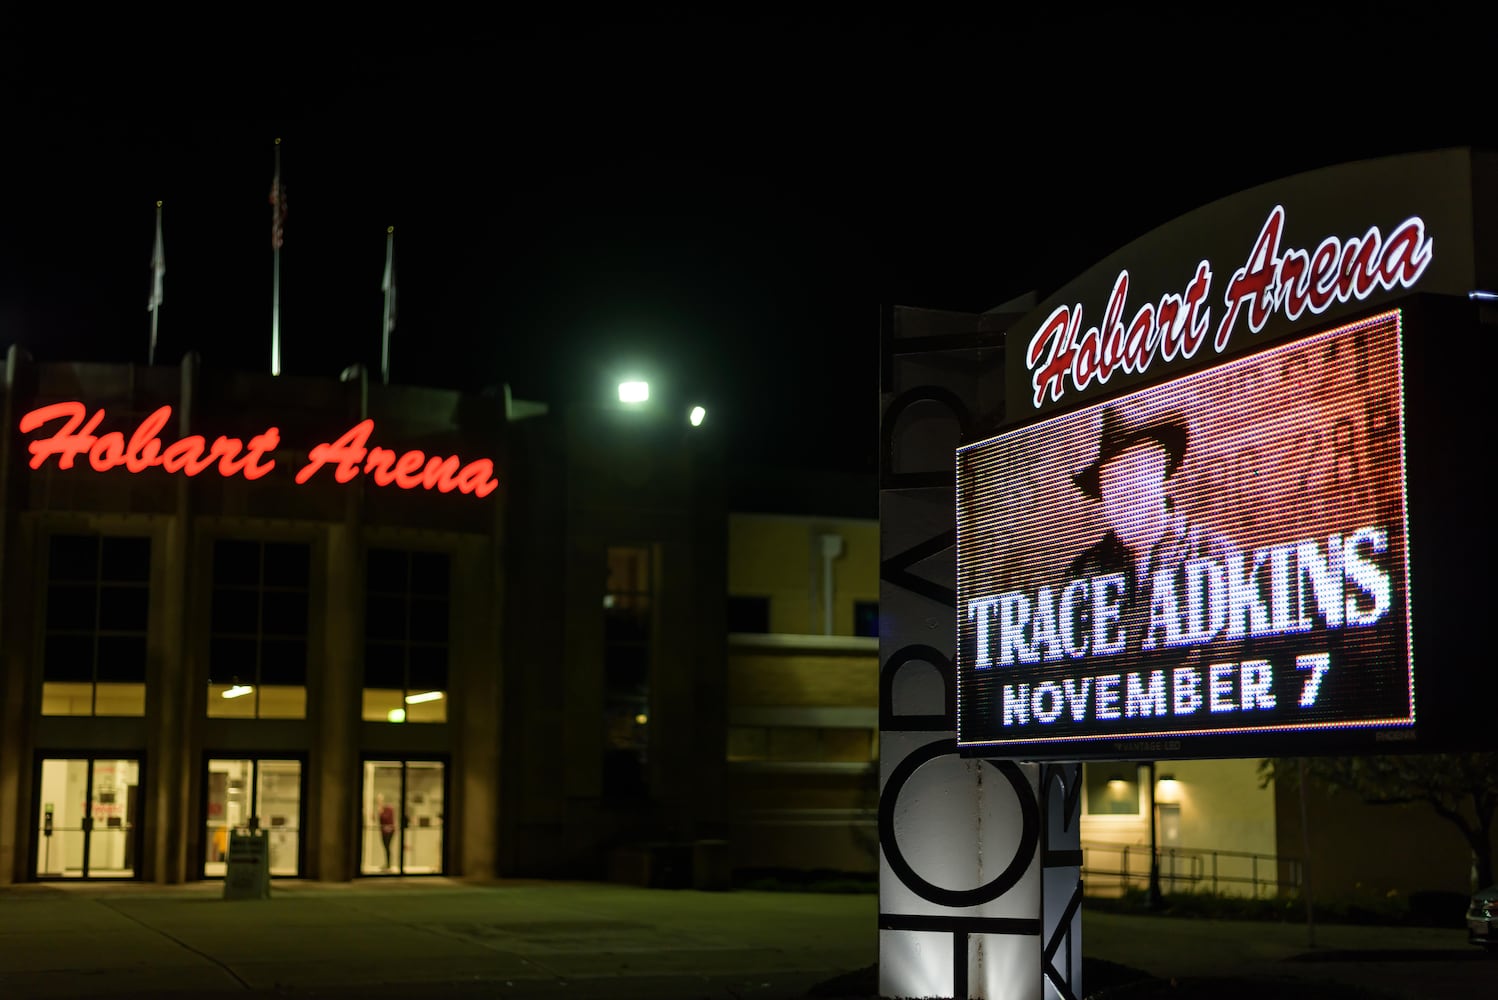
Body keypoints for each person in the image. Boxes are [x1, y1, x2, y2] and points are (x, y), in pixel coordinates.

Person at [1068, 405, 1226, 656]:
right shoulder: (1083, 574)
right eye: (1110, 479)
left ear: (1161, 470)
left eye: (1133, 470)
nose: (1122, 491)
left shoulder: (1215, 556)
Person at [375, 794, 396, 871]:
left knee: (387, 847)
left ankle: (388, 864)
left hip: (388, 831)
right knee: (386, 847)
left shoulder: (389, 809)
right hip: (384, 831)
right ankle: (387, 864)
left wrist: (380, 812)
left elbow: (385, 818)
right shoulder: (383, 809)